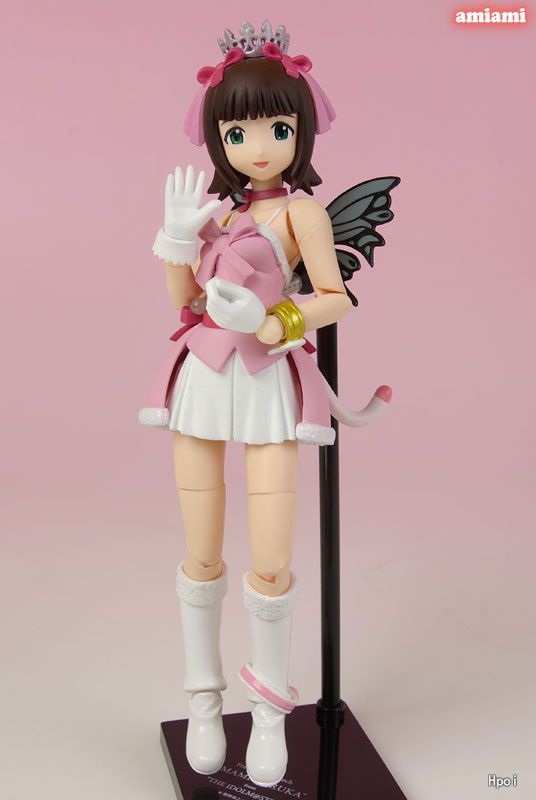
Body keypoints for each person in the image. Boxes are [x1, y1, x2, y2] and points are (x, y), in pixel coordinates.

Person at [139, 20, 389, 789]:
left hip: (264, 377)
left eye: (276, 129)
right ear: (218, 136)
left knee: (272, 558)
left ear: (299, 130)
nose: (256, 147)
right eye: (237, 131)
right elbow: (184, 305)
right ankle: (204, 702)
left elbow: (333, 297)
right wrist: (177, 241)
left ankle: (271, 710)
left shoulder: (302, 215)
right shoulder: (215, 213)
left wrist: (273, 318)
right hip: (203, 377)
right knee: (201, 550)